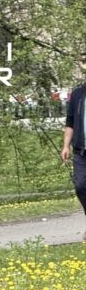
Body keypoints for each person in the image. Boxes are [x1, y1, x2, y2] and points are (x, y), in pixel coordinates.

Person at [60, 82, 86, 242]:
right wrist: (65, 146)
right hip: (81, 151)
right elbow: (70, 123)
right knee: (80, 185)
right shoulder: (77, 94)